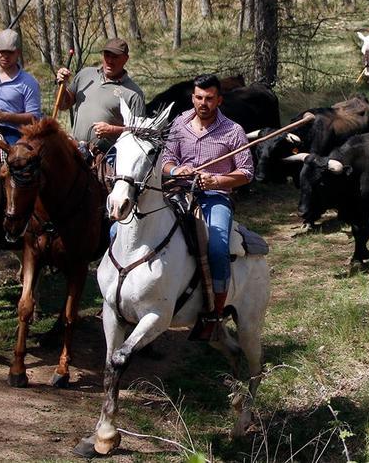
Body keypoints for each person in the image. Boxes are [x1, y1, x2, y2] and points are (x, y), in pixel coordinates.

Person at [159, 74, 253, 340]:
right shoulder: (179, 124)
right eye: (199, 97)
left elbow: (246, 172)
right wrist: (177, 169)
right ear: (192, 98)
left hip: (214, 197)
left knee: (218, 248)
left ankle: (215, 312)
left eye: (209, 98)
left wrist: (218, 179)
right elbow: (166, 160)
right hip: (177, 192)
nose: (203, 103)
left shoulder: (233, 131)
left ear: (219, 100)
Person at [54, 38, 146, 159]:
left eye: (115, 57)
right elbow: (63, 105)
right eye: (107, 55)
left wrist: (112, 130)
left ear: (125, 59)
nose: (110, 61)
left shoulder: (134, 93)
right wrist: (62, 84)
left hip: (107, 157)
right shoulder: (85, 75)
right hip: (75, 151)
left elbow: (140, 132)